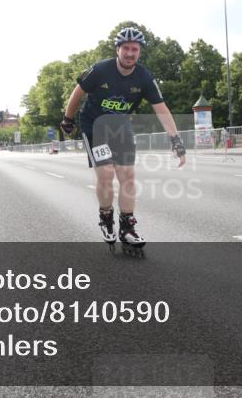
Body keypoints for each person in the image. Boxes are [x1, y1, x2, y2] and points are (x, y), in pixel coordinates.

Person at [59, 27, 186, 251]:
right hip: (94, 127)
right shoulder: (100, 70)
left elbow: (162, 109)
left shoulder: (145, 77)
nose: (130, 53)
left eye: (134, 49)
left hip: (120, 128)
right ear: (117, 49)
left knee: (128, 175)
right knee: (106, 173)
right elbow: (77, 92)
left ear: (140, 52)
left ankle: (127, 226)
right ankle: (106, 216)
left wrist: (176, 140)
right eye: (125, 48)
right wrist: (67, 119)